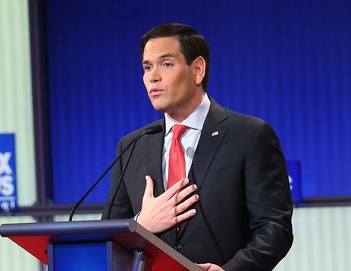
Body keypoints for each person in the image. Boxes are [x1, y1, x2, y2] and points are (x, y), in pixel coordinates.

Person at [102, 23, 293, 271]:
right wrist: (141, 223)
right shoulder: (131, 146)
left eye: (166, 64)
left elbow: (274, 228)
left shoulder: (250, 135)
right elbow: (108, 234)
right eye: (147, 67)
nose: (153, 76)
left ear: (197, 70)